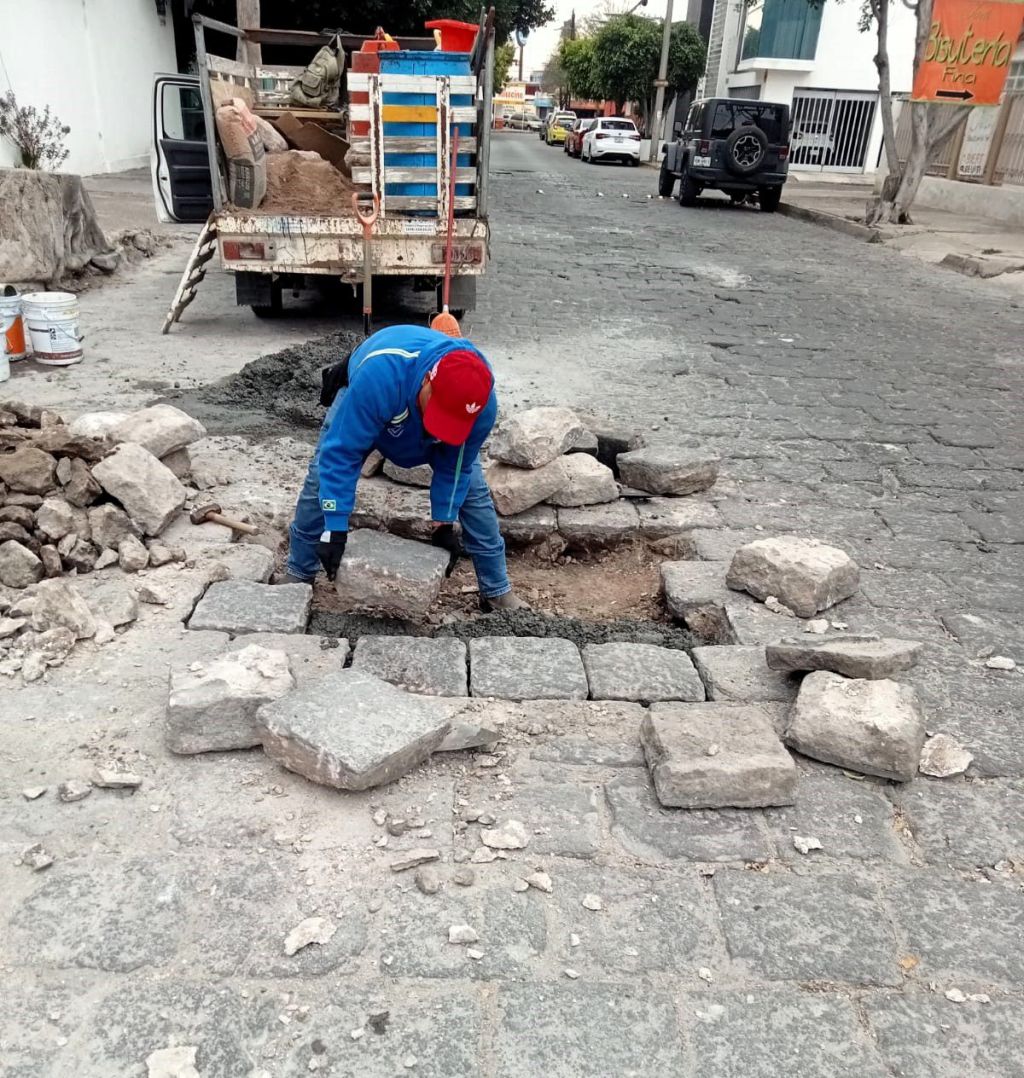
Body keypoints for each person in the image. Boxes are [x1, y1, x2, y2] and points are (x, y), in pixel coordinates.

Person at [281, 322, 527, 612]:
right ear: (427, 381)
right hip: (378, 397)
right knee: (319, 478)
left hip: (406, 405)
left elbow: (456, 466)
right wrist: (334, 527)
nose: (438, 433)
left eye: (451, 423)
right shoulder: (380, 377)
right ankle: (298, 573)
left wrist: (443, 521)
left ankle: (497, 590)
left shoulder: (480, 407)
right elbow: (341, 455)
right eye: (439, 415)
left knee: (474, 493)